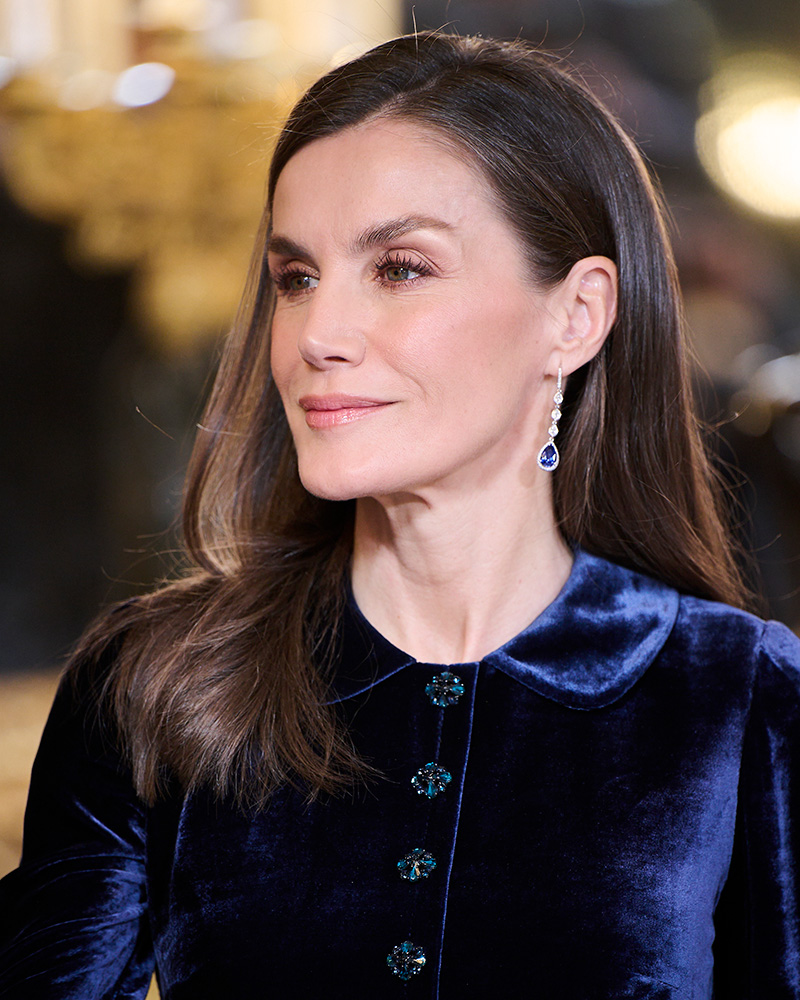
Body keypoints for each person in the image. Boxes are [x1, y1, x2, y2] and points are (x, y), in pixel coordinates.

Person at [1, 30, 799, 999]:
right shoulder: (158, 683)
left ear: (576, 315)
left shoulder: (736, 695)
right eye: (295, 278)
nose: (315, 337)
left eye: (399, 268)